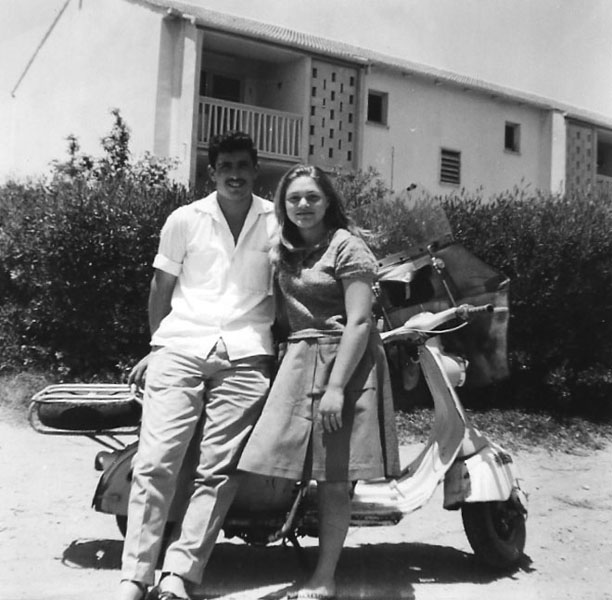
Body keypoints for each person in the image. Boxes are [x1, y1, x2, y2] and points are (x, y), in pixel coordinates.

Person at [116, 131, 277, 600]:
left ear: (255, 169)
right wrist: (156, 346)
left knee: (219, 469)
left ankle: (179, 575)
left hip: (247, 352)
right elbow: (160, 287)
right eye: (226, 166)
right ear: (212, 172)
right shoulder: (184, 219)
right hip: (181, 347)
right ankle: (135, 576)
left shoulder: (276, 222)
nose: (234, 175)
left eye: (243, 165)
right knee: (156, 461)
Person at [238, 164, 401, 600]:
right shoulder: (283, 248)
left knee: (333, 477)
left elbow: (360, 321)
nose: (303, 205)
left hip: (344, 362)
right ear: (283, 205)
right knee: (273, 459)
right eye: (294, 198)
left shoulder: (348, 247)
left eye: (312, 196)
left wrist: (335, 388)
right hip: (297, 359)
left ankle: (324, 578)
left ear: (328, 201)